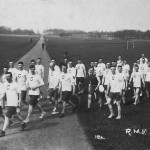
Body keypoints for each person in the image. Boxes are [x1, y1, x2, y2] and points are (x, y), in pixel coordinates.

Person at [0, 72, 27, 137]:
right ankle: (23, 123)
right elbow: (3, 93)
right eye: (6, 77)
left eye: (8, 77)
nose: (7, 78)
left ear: (11, 77)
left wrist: (19, 101)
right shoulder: (5, 84)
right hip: (9, 103)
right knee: (15, 115)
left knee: (6, 116)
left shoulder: (15, 84)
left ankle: (3, 131)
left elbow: (19, 93)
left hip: (14, 103)